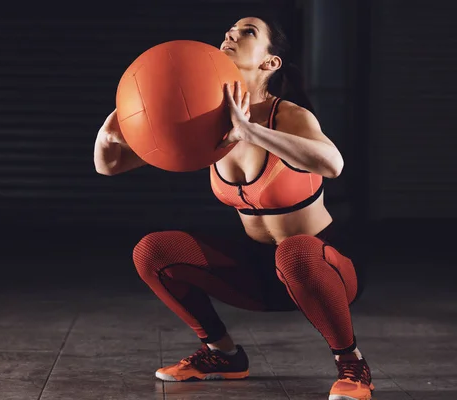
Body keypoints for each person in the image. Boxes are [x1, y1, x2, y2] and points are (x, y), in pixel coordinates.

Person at [93, 15, 373, 400]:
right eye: (231, 29)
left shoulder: (288, 116)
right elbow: (108, 166)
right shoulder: (206, 120)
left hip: (322, 267)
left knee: (294, 252)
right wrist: (107, 137)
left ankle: (352, 366)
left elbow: (333, 165)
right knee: (151, 251)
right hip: (257, 273)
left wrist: (251, 130)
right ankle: (223, 354)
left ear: (270, 63)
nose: (231, 34)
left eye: (248, 32)